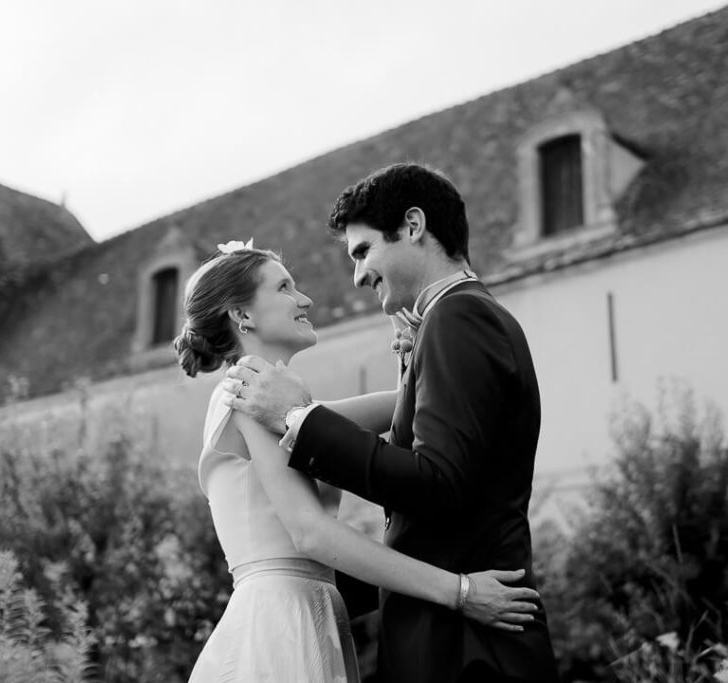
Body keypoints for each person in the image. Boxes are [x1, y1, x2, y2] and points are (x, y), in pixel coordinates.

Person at [224, 163, 560, 683]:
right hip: (454, 636)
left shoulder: (457, 318)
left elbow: (436, 483)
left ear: (412, 226)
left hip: (464, 651)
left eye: (363, 252)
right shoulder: (449, 321)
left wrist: (297, 417)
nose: (358, 275)